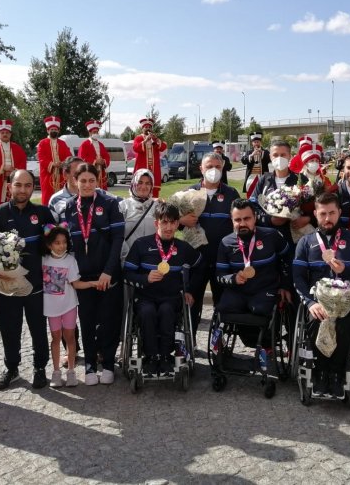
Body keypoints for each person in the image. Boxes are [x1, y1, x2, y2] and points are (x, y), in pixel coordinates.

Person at [293, 192, 350, 398]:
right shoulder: (306, 242)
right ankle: (320, 371)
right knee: (316, 320)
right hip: (318, 300)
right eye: (322, 214)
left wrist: (345, 269)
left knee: (344, 323)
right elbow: (298, 277)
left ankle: (337, 373)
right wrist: (310, 302)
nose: (327, 219)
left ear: (339, 213)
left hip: (347, 300)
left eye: (332, 213)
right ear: (316, 215)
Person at [0, 170, 56, 391]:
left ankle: (39, 368)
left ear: (33, 188)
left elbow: (56, 245)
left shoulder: (44, 214)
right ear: (9, 187)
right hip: (7, 288)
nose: (23, 190)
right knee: (9, 330)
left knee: (38, 329)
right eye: (18, 185)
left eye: (27, 185)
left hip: (36, 286)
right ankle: (12, 368)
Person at [62, 163, 125, 385]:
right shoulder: (69, 207)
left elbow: (118, 239)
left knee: (108, 320)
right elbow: (66, 244)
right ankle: (89, 365)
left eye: (91, 180)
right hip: (83, 278)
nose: (87, 185)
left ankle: (107, 363)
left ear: (98, 181)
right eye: (83, 181)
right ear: (75, 182)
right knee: (87, 321)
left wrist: (108, 271)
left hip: (107, 275)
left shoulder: (110, 203)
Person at [124, 201, 202, 376]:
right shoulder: (141, 245)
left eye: (172, 222)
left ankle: (166, 357)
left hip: (171, 298)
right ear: (156, 223)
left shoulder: (183, 248)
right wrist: (145, 278)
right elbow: (127, 274)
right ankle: (151, 357)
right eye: (164, 222)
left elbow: (200, 268)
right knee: (147, 313)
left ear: (177, 224)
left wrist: (190, 290)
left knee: (167, 311)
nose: (168, 227)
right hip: (145, 297)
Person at [180, 153, 239, 338]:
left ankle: (218, 343)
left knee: (222, 304)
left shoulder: (231, 194)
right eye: (209, 166)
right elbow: (175, 224)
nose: (213, 170)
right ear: (201, 169)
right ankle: (189, 343)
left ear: (222, 169)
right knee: (191, 303)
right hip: (196, 260)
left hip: (222, 261)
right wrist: (182, 219)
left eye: (217, 167)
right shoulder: (189, 193)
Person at [42, 224, 99, 388]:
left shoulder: (70, 260)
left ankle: (71, 371)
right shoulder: (44, 260)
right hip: (51, 307)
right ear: (49, 244)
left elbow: (76, 283)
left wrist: (92, 283)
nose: (61, 246)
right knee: (55, 338)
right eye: (57, 243)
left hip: (69, 306)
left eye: (64, 242)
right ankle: (56, 372)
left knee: (70, 337)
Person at [215, 198, 292, 318]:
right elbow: (220, 275)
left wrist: (285, 286)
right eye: (237, 220)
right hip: (237, 292)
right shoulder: (225, 243)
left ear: (255, 218)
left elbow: (289, 259)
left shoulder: (271, 235)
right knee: (223, 310)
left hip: (265, 290)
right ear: (232, 220)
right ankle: (247, 336)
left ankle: (260, 337)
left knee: (260, 309)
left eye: (247, 218)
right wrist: (233, 278)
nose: (242, 224)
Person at [250, 140, 311, 251]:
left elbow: (314, 205)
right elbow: (253, 205)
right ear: (270, 157)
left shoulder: (301, 179)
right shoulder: (264, 180)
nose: (279, 158)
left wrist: (308, 218)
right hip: (267, 237)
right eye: (275, 155)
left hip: (294, 237)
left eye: (283, 155)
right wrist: (269, 219)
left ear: (290, 156)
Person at [0, 119, 27, 214]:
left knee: (13, 203)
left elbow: (22, 161)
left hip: (13, 179)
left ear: (10, 134)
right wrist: (3, 168)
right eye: (2, 132)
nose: (5, 134)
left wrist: (14, 171)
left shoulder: (17, 148)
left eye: (7, 133)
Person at [119, 169, 157, 262]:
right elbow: (118, 236)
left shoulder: (158, 206)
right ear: (133, 183)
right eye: (140, 182)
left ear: (152, 186)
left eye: (148, 183)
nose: (143, 186)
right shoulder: (123, 206)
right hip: (128, 258)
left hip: (152, 258)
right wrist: (127, 256)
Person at [37, 116, 71, 207]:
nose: (54, 131)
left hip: (61, 175)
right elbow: (41, 158)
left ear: (58, 131)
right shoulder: (42, 143)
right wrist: (53, 164)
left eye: (55, 129)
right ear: (48, 130)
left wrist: (63, 164)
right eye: (51, 129)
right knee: (47, 197)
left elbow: (69, 156)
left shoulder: (63, 143)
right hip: (48, 176)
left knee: (63, 196)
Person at [133, 117, 167, 198]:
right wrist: (145, 141)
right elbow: (135, 148)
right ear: (142, 128)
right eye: (146, 127)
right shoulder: (138, 138)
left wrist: (156, 140)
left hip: (154, 170)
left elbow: (163, 147)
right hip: (142, 169)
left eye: (149, 127)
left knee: (154, 191)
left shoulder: (154, 139)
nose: (148, 128)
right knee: (141, 189)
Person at [48, 156, 85, 223]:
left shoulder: (97, 195)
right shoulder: (55, 199)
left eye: (83, 172)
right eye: (76, 173)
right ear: (65, 174)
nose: (81, 176)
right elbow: (52, 228)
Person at [78, 119, 111, 191]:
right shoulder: (84, 144)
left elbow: (107, 156)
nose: (96, 133)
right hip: (90, 173)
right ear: (90, 133)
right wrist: (95, 161)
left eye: (97, 132)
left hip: (101, 174)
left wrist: (103, 161)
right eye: (94, 132)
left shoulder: (101, 144)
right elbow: (81, 159)